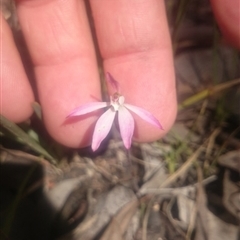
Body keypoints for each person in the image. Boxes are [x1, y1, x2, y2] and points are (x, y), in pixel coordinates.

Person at [1, 0, 239, 149]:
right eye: (114, 96)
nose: (115, 98)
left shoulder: (125, 109)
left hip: (120, 114)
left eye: (116, 96)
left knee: (130, 134)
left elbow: (140, 122)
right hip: (111, 114)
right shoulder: (112, 107)